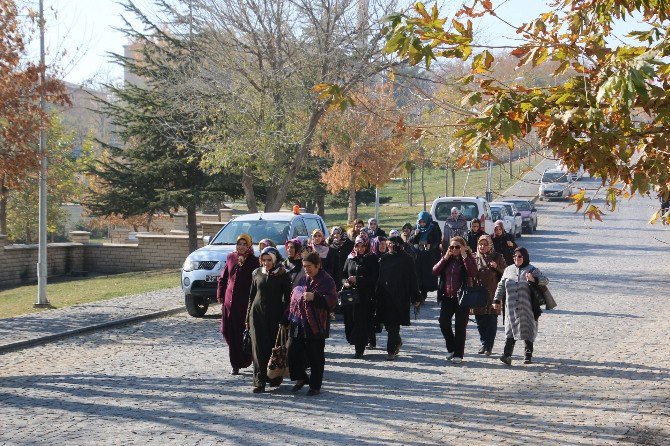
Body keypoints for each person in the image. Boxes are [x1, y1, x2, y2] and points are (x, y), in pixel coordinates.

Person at [286, 252, 339, 396]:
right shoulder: (303, 279)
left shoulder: (327, 281)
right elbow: (294, 297)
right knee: (292, 352)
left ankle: (315, 386)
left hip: (316, 325)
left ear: (318, 265)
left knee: (315, 357)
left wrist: (315, 297)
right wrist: (286, 317)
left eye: (309, 266)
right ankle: (302, 377)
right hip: (298, 322)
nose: (307, 269)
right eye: (304, 266)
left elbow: (333, 301)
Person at [246, 247, 293, 393]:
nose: (266, 263)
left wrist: (285, 318)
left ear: (275, 260)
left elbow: (288, 300)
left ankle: (273, 377)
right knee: (258, 349)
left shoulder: (283, 275)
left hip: (275, 317)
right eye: (263, 260)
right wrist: (247, 316)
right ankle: (259, 382)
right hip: (257, 316)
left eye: (269, 260)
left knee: (273, 348)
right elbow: (251, 296)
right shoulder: (256, 273)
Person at [495, 247, 549, 365]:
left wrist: (534, 279)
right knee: (510, 330)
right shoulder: (508, 270)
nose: (517, 258)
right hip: (511, 307)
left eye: (520, 256)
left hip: (527, 307)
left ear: (525, 257)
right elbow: (501, 286)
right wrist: (496, 300)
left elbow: (545, 280)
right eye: (515, 256)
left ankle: (528, 355)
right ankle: (507, 355)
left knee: (528, 329)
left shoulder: (532, 270)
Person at [217, 234, 259, 375]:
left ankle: (245, 360)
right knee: (229, 332)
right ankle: (235, 362)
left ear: (249, 245)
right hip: (229, 304)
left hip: (244, 304)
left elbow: (257, 283)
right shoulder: (231, 258)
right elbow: (223, 277)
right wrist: (220, 294)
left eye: (244, 244)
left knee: (243, 334)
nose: (241, 246)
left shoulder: (254, 261)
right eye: (239, 244)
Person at [432, 236, 478, 363]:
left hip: (462, 297)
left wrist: (464, 255)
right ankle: (451, 348)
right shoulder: (447, 259)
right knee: (443, 322)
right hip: (447, 296)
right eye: (451, 247)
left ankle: (458, 354)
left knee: (460, 326)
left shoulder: (468, 258)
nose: (454, 249)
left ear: (463, 247)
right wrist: (445, 257)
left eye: (457, 247)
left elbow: (473, 272)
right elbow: (435, 271)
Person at [376, 236, 420, 360]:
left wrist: (416, 296)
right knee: (389, 325)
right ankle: (397, 342)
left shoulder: (407, 259)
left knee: (394, 324)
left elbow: (413, 279)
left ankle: (391, 350)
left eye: (392, 244)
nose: (389, 246)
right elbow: (380, 278)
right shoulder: (384, 258)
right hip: (385, 296)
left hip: (400, 296)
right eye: (388, 244)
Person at [342, 235, 379, 357]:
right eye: (358, 245)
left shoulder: (372, 258)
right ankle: (355, 340)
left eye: (363, 246)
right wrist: (346, 282)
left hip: (365, 297)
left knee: (361, 322)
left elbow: (374, 278)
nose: (360, 248)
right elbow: (343, 274)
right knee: (350, 321)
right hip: (350, 296)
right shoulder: (350, 258)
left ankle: (360, 348)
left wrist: (358, 279)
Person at [471, 234, 506, 356]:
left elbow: (506, 274)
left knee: (491, 320)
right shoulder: (474, 258)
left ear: (490, 245)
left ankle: (489, 346)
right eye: (480, 244)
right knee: (480, 320)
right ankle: (483, 343)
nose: (482, 246)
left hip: (493, 293)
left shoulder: (497, 257)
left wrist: (497, 267)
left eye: (485, 244)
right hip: (478, 294)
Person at [409, 211, 442, 303]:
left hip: (428, 255)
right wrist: (415, 234)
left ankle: (424, 293)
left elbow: (437, 240)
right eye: (421, 222)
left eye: (424, 222)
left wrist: (431, 246)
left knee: (426, 275)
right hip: (418, 255)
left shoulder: (432, 228)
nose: (422, 224)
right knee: (417, 274)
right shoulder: (416, 228)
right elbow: (411, 241)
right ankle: (417, 293)